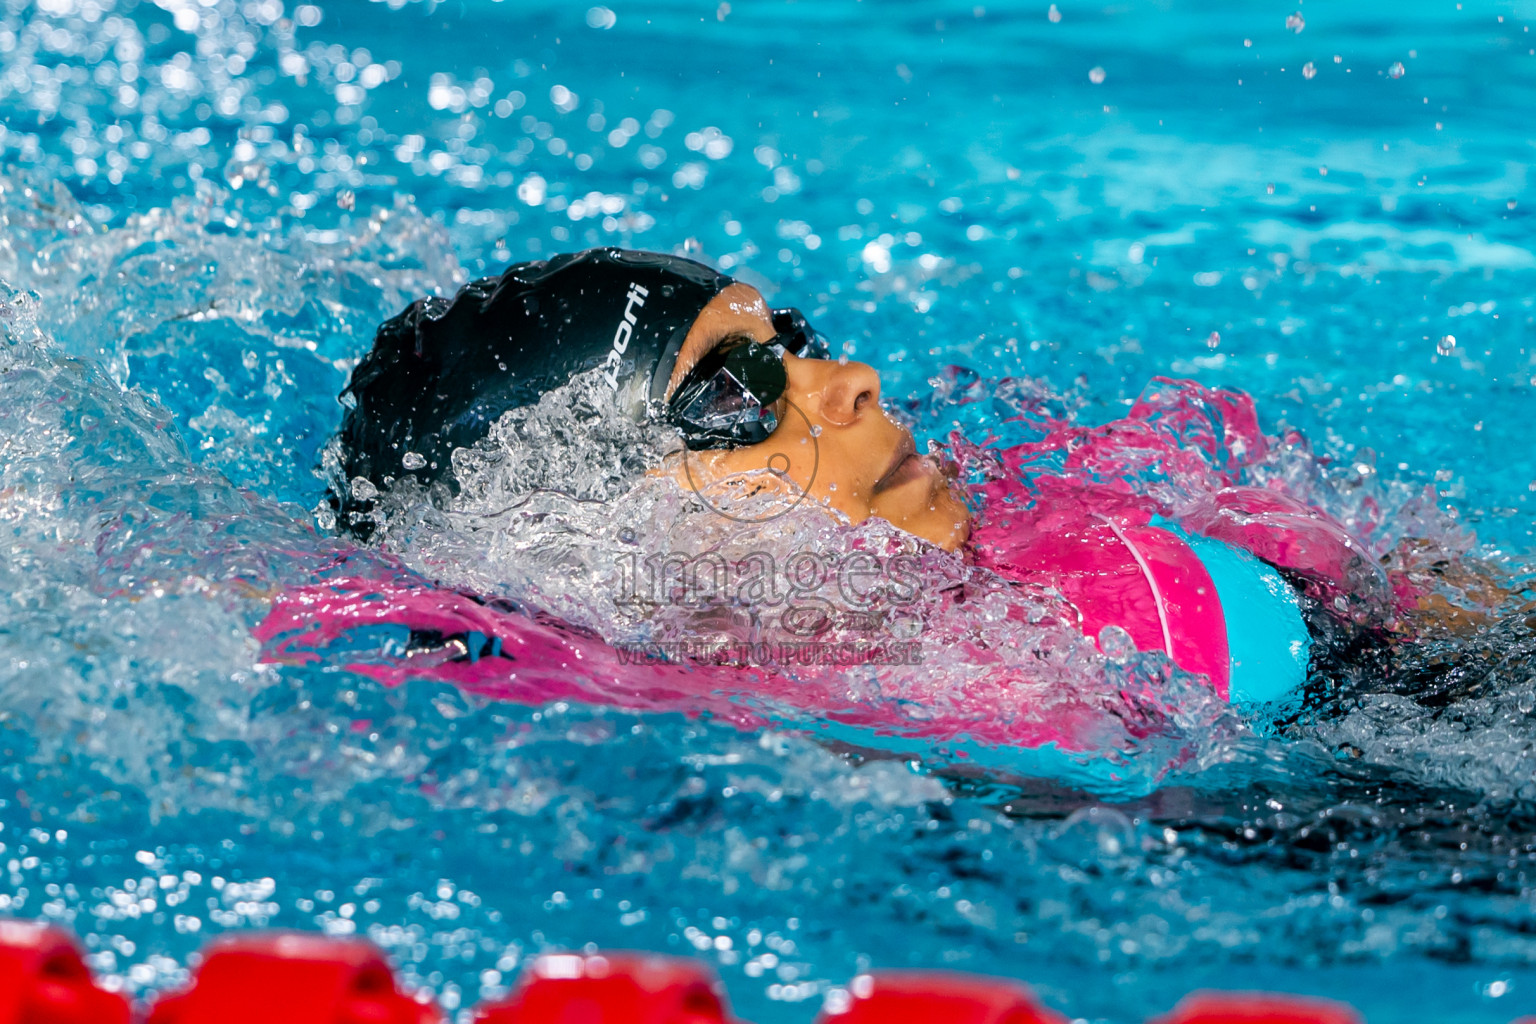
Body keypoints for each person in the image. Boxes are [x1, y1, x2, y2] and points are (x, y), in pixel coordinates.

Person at [297, 246, 1516, 764]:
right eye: (733, 391)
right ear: (582, 529)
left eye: (799, 340)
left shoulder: (1089, 508)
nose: (847, 384)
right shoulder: (733, 735)